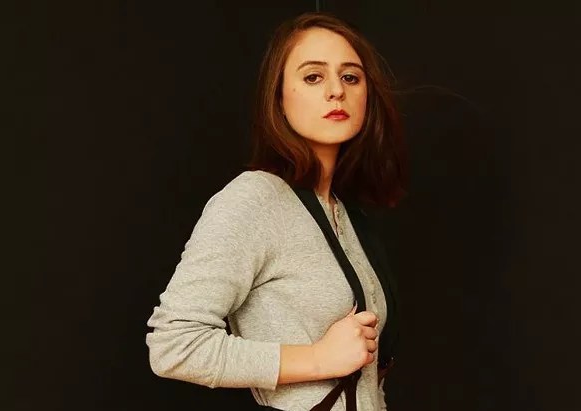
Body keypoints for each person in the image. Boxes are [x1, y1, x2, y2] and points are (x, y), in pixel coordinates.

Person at [146, 11, 408, 411]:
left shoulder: (346, 213)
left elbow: (367, 382)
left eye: (351, 77)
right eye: (313, 77)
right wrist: (318, 359)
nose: (336, 91)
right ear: (279, 98)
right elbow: (174, 344)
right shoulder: (255, 200)